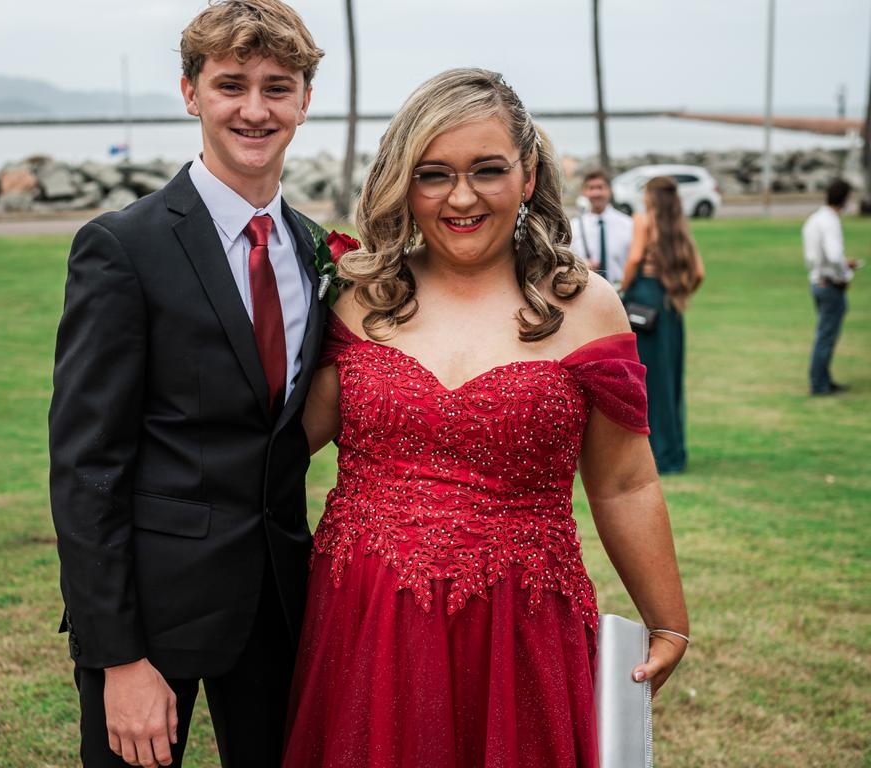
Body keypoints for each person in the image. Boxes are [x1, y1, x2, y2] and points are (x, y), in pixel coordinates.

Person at [283, 68, 689, 768]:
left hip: (520, 629)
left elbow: (624, 481)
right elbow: (285, 445)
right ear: (403, 181)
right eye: (434, 174)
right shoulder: (359, 295)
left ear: (528, 175)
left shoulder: (587, 307)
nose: (461, 197)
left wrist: (669, 620)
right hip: (367, 620)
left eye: (487, 170)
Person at [48, 2, 325, 766]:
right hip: (152, 614)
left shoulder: (312, 247)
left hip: (278, 604)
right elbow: (86, 466)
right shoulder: (121, 247)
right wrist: (118, 657)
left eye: (278, 86)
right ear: (190, 92)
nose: (254, 108)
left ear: (306, 100)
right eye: (231, 84)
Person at [621, 176, 704, 475]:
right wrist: (679, 293)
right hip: (670, 305)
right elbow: (698, 272)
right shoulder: (679, 225)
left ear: (651, 196)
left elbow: (633, 259)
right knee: (670, 380)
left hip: (644, 301)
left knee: (647, 382)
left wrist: (623, 289)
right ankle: (673, 452)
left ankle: (653, 454)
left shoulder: (643, 220)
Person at [803, 179, 858, 395]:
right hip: (829, 284)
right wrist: (845, 273)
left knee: (824, 334)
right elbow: (834, 255)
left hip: (817, 279)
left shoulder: (814, 219)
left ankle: (824, 379)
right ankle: (819, 384)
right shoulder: (830, 221)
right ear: (844, 199)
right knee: (826, 336)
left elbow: (813, 255)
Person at [570, 168, 634, 287]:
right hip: (587, 292)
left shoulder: (628, 224)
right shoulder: (574, 227)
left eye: (600, 187)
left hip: (622, 293)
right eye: (591, 188)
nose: (596, 193)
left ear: (610, 190)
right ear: (584, 192)